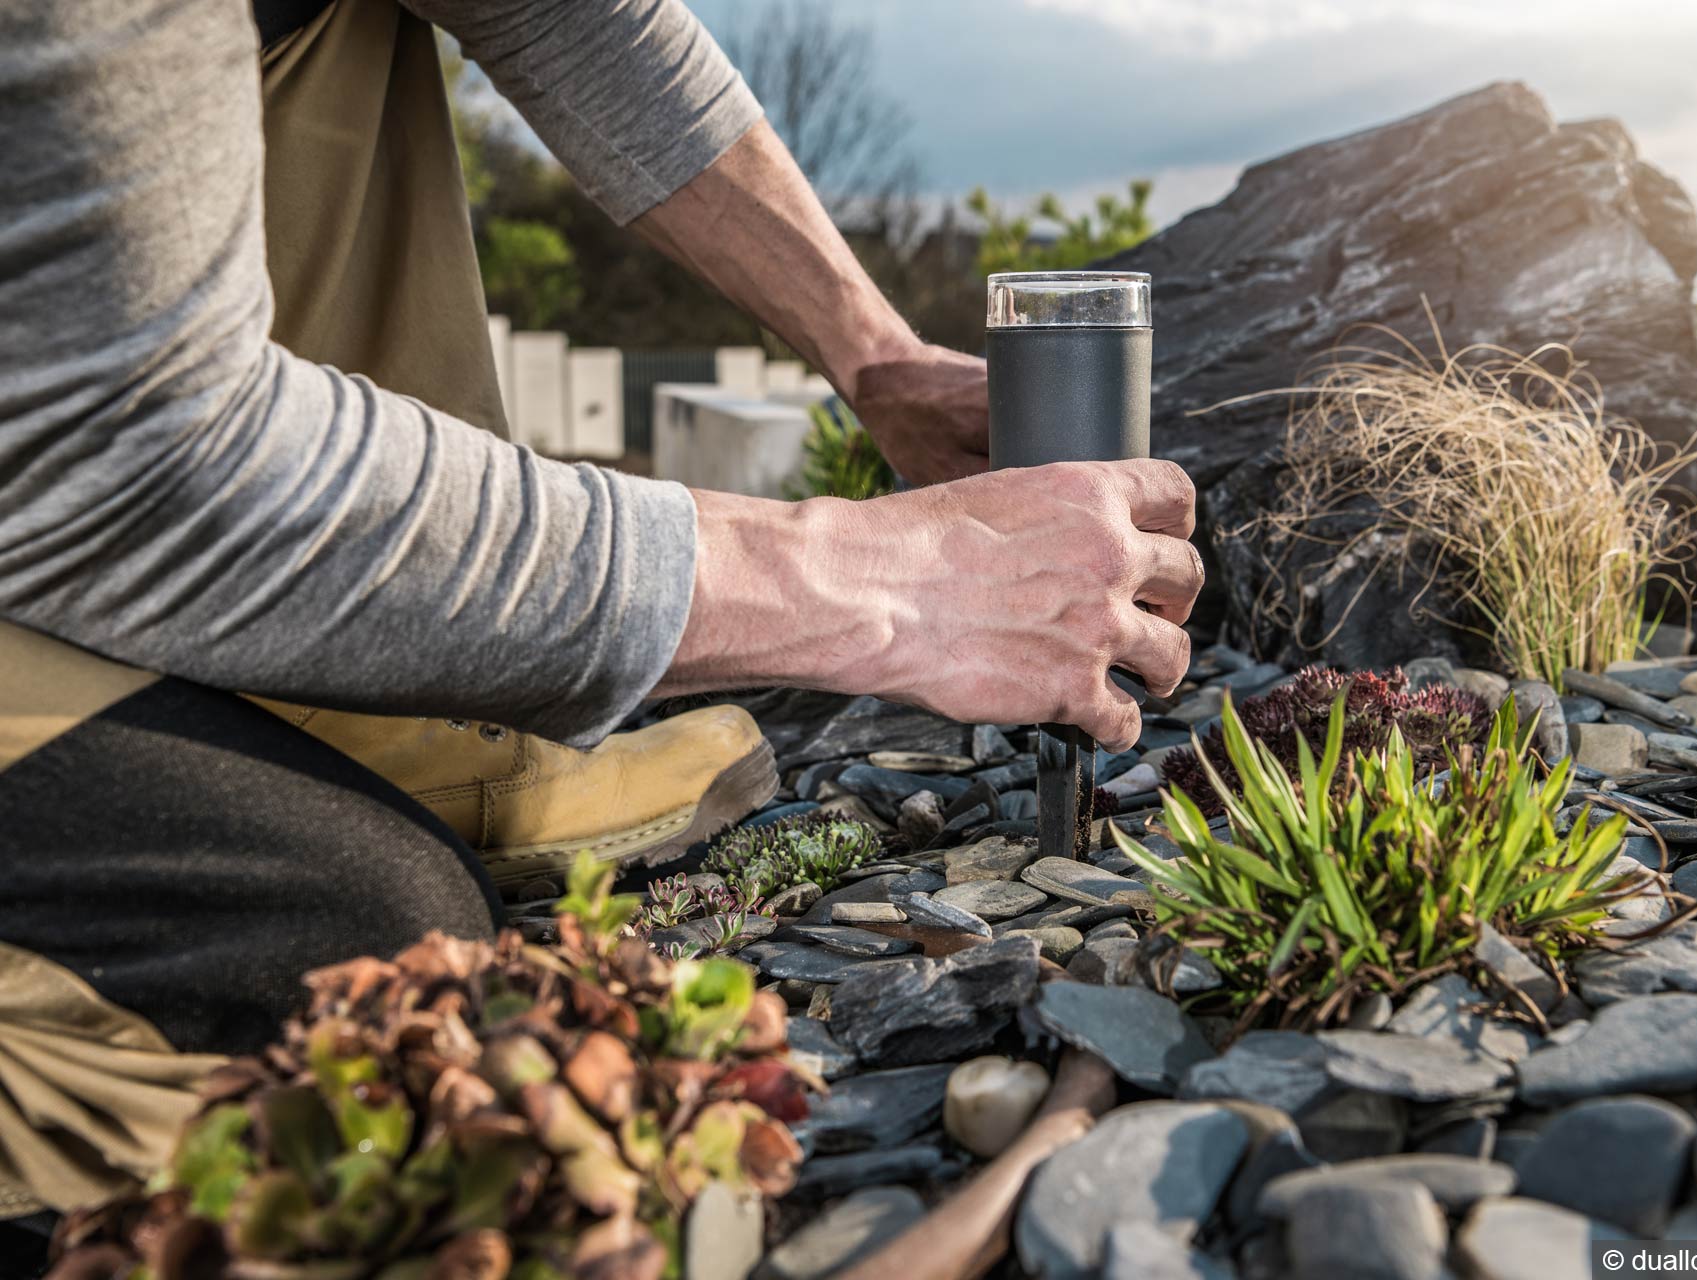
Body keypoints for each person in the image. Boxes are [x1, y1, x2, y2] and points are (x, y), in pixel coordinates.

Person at [0, 0, 1202, 1229]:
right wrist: (877, 583)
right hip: (68, 447)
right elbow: (128, 453)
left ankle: (362, 697)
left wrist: (874, 355)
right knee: (322, 968)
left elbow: (560, 13)